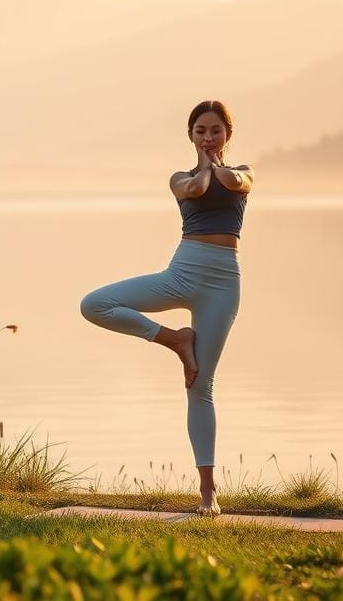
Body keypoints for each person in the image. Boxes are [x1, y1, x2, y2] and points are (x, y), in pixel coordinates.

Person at [79, 100, 254, 516]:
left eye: (214, 130)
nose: (207, 138)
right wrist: (204, 167)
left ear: (228, 133)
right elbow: (192, 189)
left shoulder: (243, 171)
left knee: (200, 387)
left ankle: (208, 494)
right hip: (182, 272)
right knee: (95, 304)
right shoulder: (180, 177)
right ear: (190, 136)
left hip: (223, 285)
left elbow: (236, 183)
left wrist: (215, 165)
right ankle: (175, 339)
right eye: (200, 132)